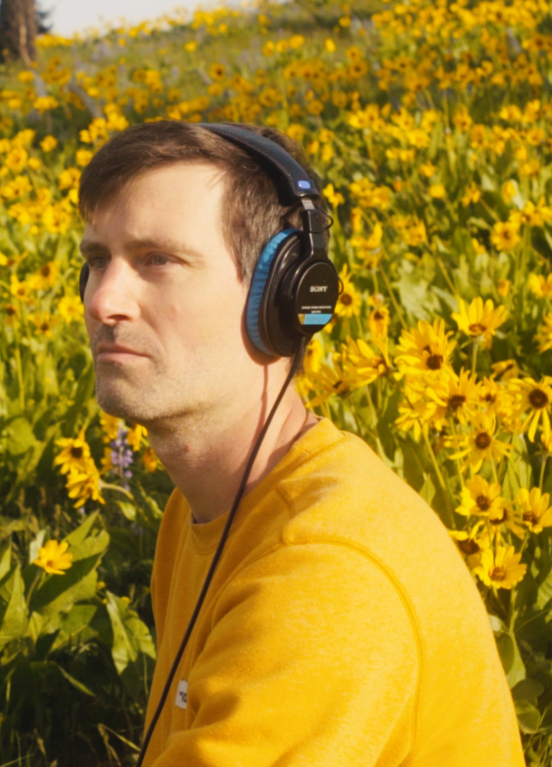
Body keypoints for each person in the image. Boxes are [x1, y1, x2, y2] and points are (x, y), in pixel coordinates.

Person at [76, 120, 525, 766]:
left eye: (158, 260)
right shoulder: (199, 509)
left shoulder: (325, 574)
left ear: (285, 294)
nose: (103, 300)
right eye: (97, 261)